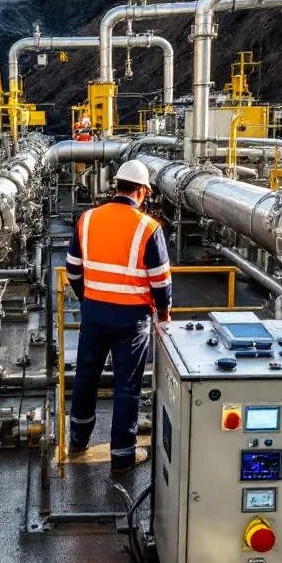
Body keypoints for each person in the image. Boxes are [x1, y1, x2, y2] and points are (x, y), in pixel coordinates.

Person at [64, 159, 172, 475]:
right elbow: (161, 282)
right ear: (141, 191)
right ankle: (122, 457)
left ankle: (78, 439)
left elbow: (72, 269)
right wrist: (164, 314)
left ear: (116, 187)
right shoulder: (148, 228)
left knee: (85, 377)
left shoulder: (87, 219)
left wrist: (89, 298)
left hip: (94, 315)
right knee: (127, 386)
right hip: (132, 321)